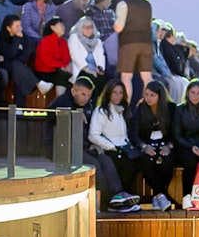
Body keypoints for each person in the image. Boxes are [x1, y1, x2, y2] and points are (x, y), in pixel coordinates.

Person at [50, 75, 139, 211]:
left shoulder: (89, 104)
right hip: (66, 149)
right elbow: (53, 126)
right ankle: (107, 201)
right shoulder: (62, 103)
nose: (85, 98)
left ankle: (117, 195)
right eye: (83, 94)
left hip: (85, 146)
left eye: (88, 95)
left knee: (106, 160)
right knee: (95, 165)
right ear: (74, 92)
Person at [89, 79, 140, 210]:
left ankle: (128, 199)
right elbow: (93, 135)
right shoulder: (101, 111)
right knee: (123, 165)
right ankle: (118, 200)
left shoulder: (122, 111)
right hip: (110, 148)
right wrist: (111, 147)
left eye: (120, 93)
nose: (118, 96)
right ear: (108, 94)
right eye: (114, 92)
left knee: (138, 162)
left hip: (124, 146)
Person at [129, 80, 176, 211]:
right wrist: (144, 146)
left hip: (166, 145)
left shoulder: (171, 109)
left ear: (160, 96)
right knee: (145, 161)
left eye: (152, 95)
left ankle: (158, 196)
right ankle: (161, 195)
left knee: (168, 161)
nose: (148, 98)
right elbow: (134, 133)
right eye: (147, 94)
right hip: (147, 145)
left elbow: (176, 131)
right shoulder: (141, 109)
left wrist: (169, 146)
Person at [112, 0, 152, 104]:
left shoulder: (123, 4)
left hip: (129, 42)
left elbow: (119, 26)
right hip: (146, 42)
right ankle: (149, 102)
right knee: (146, 77)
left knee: (126, 76)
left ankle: (126, 105)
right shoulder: (147, 4)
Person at [0, 13, 50, 107]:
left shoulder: (25, 37)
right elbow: (9, 54)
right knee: (16, 66)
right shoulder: (2, 38)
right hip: (4, 65)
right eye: (17, 26)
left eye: (20, 25)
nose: (20, 28)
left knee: (19, 74)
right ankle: (38, 83)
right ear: (9, 28)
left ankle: (19, 108)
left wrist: (15, 59)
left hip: (18, 66)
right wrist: (17, 39)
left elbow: (25, 55)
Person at [33, 17, 72, 95]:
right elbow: (47, 59)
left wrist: (65, 65)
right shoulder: (46, 40)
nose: (63, 27)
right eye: (60, 25)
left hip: (57, 70)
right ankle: (59, 103)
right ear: (52, 27)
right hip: (44, 71)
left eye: (63, 25)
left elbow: (66, 57)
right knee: (62, 78)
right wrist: (61, 65)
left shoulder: (63, 42)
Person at [67, 16, 106, 89]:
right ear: (80, 28)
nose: (88, 29)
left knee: (104, 80)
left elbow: (101, 57)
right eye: (85, 27)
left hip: (95, 71)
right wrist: (87, 70)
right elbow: (75, 56)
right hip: (81, 70)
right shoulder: (74, 38)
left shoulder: (97, 40)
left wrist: (101, 69)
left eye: (90, 27)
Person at [86, 0, 118, 71]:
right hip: (99, 44)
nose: (110, 3)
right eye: (108, 0)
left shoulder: (110, 13)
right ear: (102, 0)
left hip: (112, 45)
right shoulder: (90, 12)